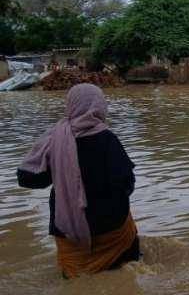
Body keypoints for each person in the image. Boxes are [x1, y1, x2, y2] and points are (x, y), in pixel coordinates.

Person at [16, 83, 139, 279]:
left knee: (74, 281)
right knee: (126, 275)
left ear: (71, 105)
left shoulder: (54, 139)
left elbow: (28, 178)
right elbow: (126, 183)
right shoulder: (107, 139)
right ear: (99, 105)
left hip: (67, 229)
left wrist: (61, 173)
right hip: (111, 228)